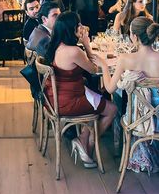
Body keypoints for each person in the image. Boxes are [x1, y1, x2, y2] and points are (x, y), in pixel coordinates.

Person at [99, 17, 159, 173]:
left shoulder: (125, 59)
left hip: (137, 119)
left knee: (120, 107)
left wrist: (104, 67)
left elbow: (110, 88)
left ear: (134, 36)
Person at [44, 12, 117, 168]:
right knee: (111, 109)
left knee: (99, 96)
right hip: (69, 101)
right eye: (79, 25)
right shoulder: (74, 51)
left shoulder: (57, 45)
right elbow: (93, 69)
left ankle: (83, 139)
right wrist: (86, 45)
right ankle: (87, 145)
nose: (82, 27)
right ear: (72, 29)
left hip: (55, 97)